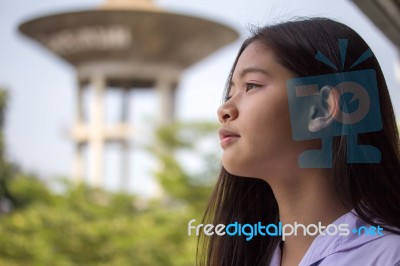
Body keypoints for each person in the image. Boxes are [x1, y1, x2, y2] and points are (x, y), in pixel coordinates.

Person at [197, 17, 400, 266]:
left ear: (321, 109)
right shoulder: (245, 255)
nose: (224, 109)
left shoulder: (389, 256)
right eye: (231, 92)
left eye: (251, 85)